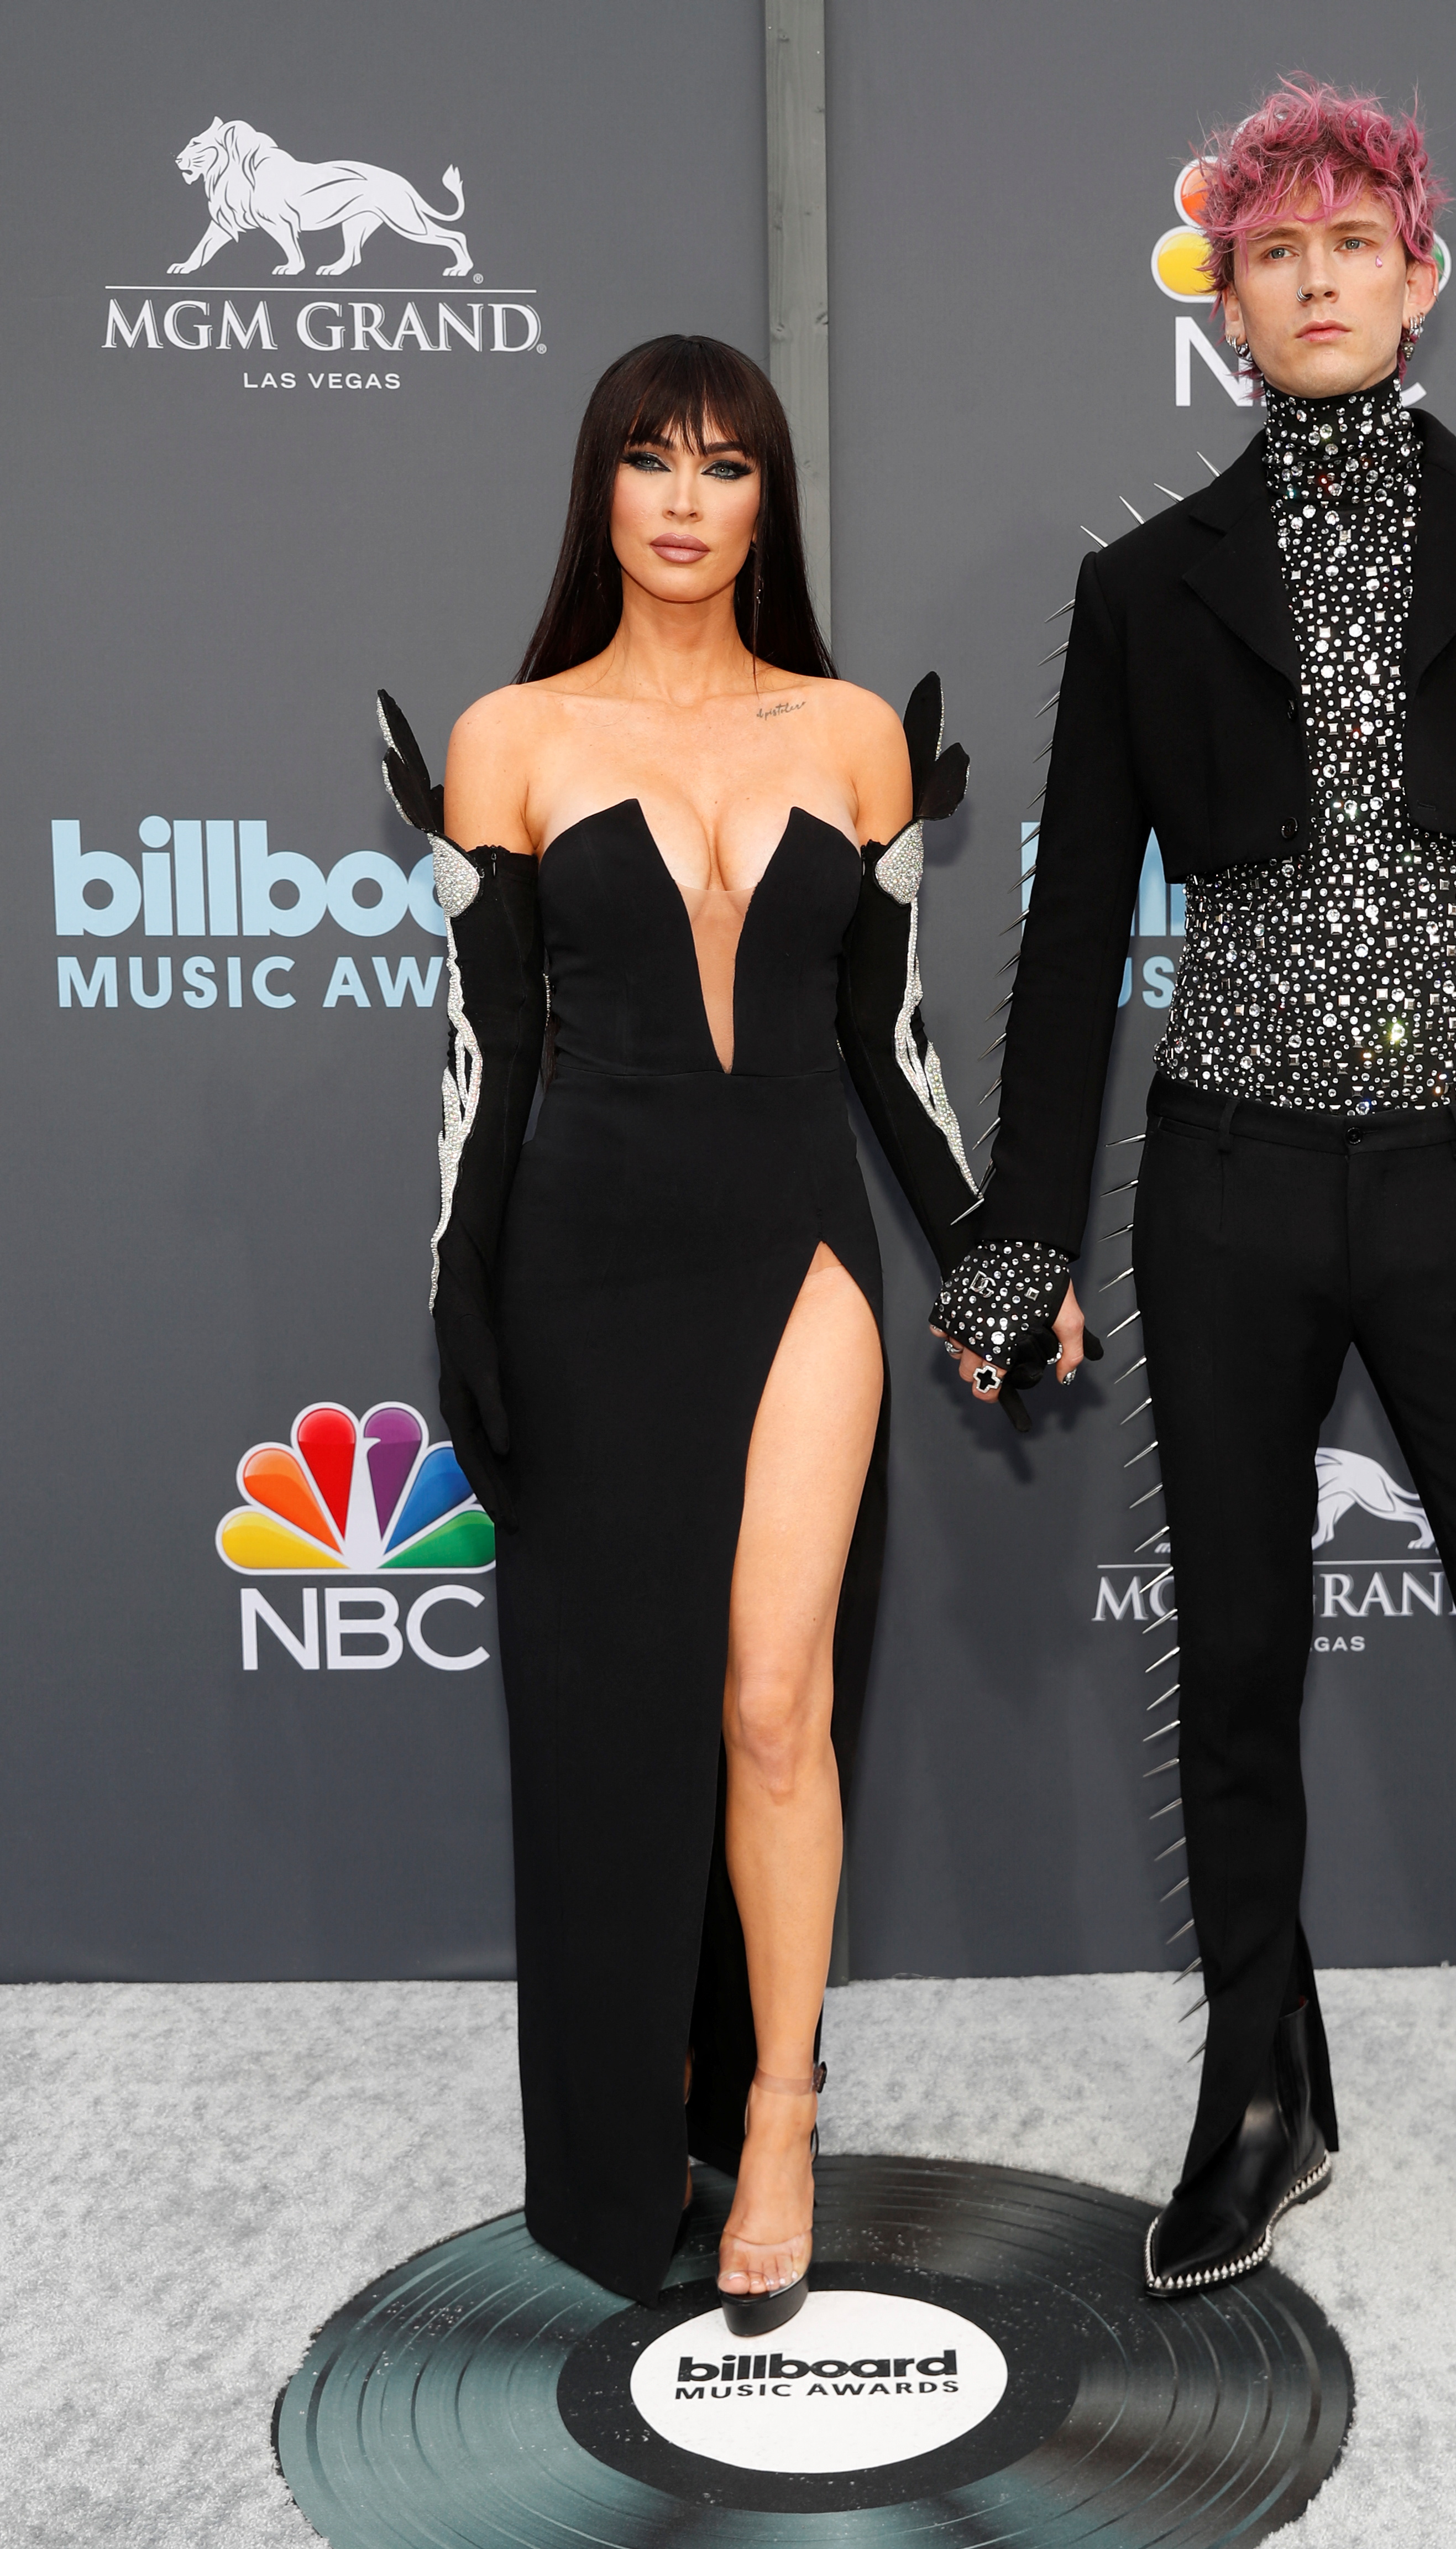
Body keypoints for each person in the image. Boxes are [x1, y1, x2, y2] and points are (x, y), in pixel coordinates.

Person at [933, 80, 1456, 2359]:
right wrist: (1019, 1232)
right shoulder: (1139, 586)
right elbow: (1079, 912)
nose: (1313, 277)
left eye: (1351, 240)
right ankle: (1261, 2086)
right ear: (1223, 292)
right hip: (1228, 1193)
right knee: (1247, 1669)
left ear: (1419, 276)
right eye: (1268, 247)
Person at [380, 333, 992, 2334]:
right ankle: (633, 2090)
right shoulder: (511, 737)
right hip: (582, 1260)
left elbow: (894, 1055)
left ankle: (785, 2105)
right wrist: (459, 1295)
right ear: (600, 488)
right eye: (646, 458)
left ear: (765, 503)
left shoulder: (851, 734)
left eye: (723, 465)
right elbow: (485, 1057)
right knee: (612, 1714)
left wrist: (982, 1251)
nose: (680, 495)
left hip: (800, 1247)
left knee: (766, 1698)